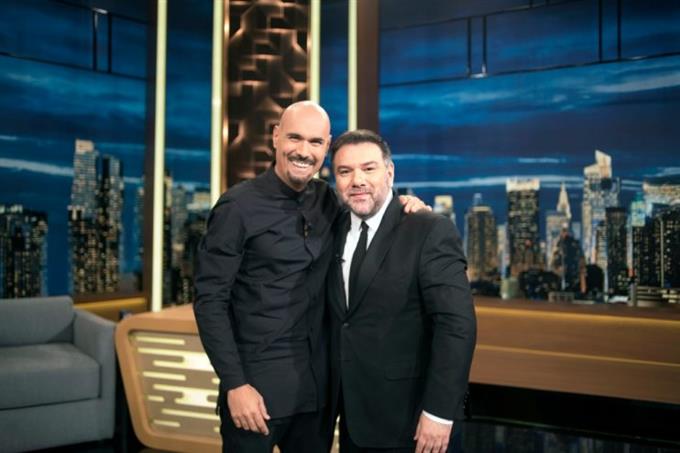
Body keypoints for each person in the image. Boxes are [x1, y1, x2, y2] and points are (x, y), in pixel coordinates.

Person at [194, 101, 426, 453]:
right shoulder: (236, 207)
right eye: (295, 138)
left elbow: (371, 211)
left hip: (318, 397)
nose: (304, 151)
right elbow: (210, 302)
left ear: (326, 147)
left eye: (316, 142)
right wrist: (234, 384)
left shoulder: (329, 201)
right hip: (256, 392)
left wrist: (407, 206)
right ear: (276, 137)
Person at [327, 129, 477, 453]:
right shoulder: (333, 228)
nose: (357, 180)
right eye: (345, 171)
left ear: (390, 172)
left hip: (413, 423)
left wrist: (440, 413)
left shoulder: (429, 229)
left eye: (368, 168)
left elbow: (457, 326)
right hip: (351, 419)